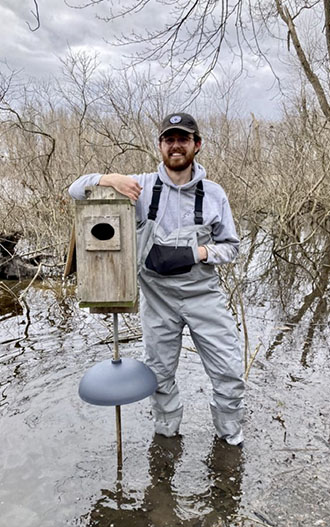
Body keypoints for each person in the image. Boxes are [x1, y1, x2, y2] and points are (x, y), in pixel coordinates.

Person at [69, 112, 245, 446]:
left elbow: (232, 248)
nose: (176, 146)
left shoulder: (214, 194)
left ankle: (230, 440)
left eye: (183, 139)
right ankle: (166, 438)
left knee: (229, 372)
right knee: (160, 376)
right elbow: (76, 191)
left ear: (197, 145)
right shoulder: (140, 186)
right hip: (157, 299)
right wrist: (108, 179)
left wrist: (197, 254)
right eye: (169, 139)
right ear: (160, 146)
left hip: (204, 295)